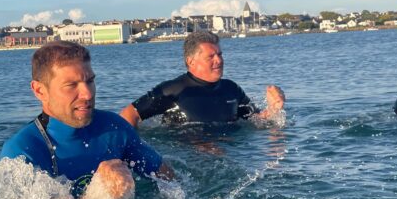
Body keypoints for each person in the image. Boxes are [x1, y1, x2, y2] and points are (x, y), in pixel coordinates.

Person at [1, 42, 173, 199]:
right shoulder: (22, 150)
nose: (88, 94)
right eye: (71, 85)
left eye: (90, 81)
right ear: (40, 91)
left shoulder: (115, 128)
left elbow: (171, 181)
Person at [119, 30, 285, 127]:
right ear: (191, 61)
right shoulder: (174, 90)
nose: (219, 60)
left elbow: (256, 121)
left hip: (228, 153)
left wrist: (273, 109)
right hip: (188, 157)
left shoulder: (231, 89)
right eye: (211, 56)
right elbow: (128, 115)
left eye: (220, 54)